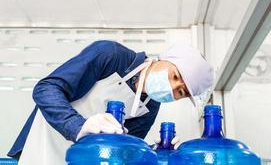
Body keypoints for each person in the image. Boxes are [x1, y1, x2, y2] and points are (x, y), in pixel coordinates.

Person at [8, 40, 214, 164]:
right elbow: (46, 89)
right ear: (163, 59)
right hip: (43, 143)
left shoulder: (150, 107)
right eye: (175, 76)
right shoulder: (111, 55)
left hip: (80, 161)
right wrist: (79, 126)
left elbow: (121, 152)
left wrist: (152, 151)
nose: (171, 88)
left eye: (180, 92)